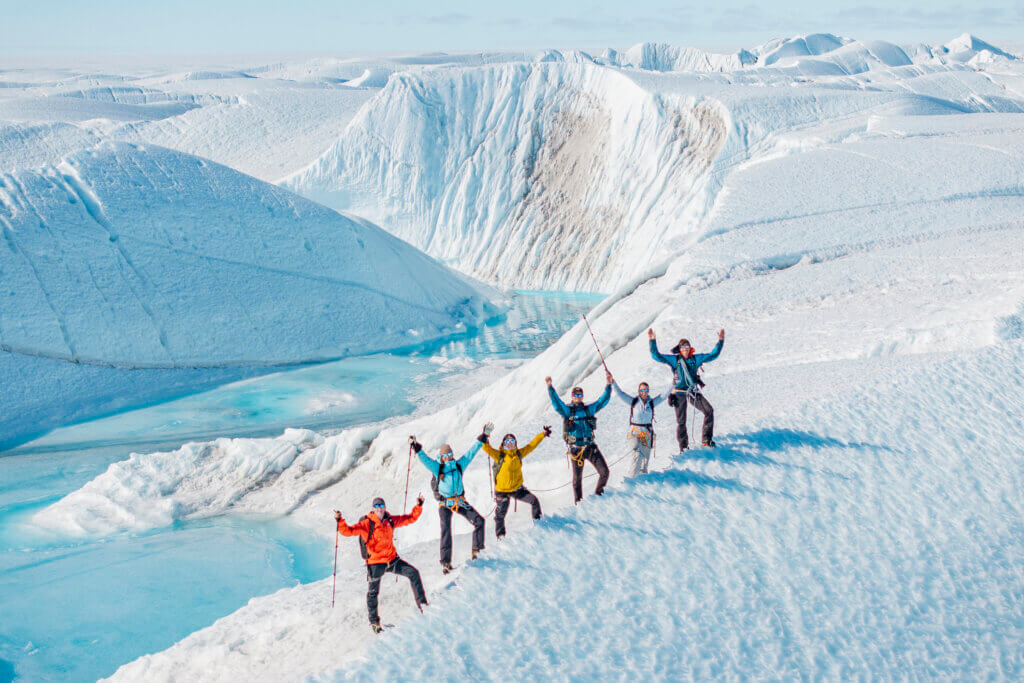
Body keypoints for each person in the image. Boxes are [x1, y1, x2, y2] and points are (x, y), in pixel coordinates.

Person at [333, 495, 428, 634]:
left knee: (413, 573)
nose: (380, 509)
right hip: (376, 563)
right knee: (373, 593)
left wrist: (418, 506)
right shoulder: (367, 523)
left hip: (392, 560)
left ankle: (423, 605)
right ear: (373, 508)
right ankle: (374, 622)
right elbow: (348, 531)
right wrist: (339, 520)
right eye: (377, 506)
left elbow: (410, 518)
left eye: (382, 506)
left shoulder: (390, 520)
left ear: (385, 507)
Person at [411, 434, 486, 573]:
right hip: (445, 504)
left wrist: (482, 439)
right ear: (441, 456)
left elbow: (471, 453)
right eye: (445, 455)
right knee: (446, 531)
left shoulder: (458, 465)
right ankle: (445, 563)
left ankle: (477, 552)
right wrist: (416, 447)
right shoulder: (437, 467)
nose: (448, 457)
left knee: (479, 521)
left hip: (459, 502)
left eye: (450, 454)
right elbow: (425, 459)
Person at [648, 327, 725, 450]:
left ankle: (706, 440)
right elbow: (656, 356)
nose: (685, 350)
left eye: (687, 348)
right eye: (683, 348)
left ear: (690, 349)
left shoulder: (695, 358)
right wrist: (652, 340)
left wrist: (720, 341)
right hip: (678, 393)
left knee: (709, 411)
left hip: (691, 391)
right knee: (681, 422)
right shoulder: (675, 359)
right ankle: (684, 448)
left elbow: (713, 355)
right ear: (679, 349)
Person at [546, 374, 613, 503]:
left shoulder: (589, 409)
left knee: (604, 472)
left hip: (590, 447)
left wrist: (609, 385)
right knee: (577, 480)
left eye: (579, 395)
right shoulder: (568, 411)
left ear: (582, 396)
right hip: (576, 450)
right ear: (572, 397)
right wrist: (550, 387)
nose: (578, 397)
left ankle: (598, 497)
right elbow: (557, 403)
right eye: (575, 395)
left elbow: (602, 401)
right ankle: (579, 503)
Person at [480, 426, 550, 537]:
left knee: (534, 501)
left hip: (517, 489)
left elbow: (531, 445)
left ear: (515, 443)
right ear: (503, 443)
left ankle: (539, 525)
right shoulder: (499, 455)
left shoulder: (518, 454)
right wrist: (484, 437)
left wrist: (543, 434)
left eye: (512, 441)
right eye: (507, 441)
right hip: (502, 491)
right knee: (500, 514)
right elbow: (487, 448)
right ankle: (500, 535)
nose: (510, 443)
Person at [611, 379, 671, 477]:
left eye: (646, 390)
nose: (644, 392)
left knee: (645, 462)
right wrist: (612, 381)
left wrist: (673, 383)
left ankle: (642, 482)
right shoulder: (633, 402)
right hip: (634, 433)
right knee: (637, 454)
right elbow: (620, 394)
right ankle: (631, 480)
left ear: (648, 391)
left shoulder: (651, 403)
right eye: (642, 390)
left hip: (647, 434)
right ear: (639, 391)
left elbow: (663, 396)